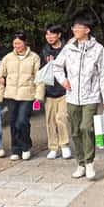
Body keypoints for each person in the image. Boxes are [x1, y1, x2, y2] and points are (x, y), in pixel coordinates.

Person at [52, 15, 104, 181]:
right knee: (76, 130)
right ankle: (80, 164)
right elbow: (57, 66)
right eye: (74, 28)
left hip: (91, 96)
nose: (75, 30)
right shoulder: (68, 47)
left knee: (87, 127)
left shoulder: (98, 49)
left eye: (78, 28)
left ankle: (90, 162)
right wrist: (64, 81)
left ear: (87, 30)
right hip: (72, 97)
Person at [0, 32, 43, 161]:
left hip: (27, 95)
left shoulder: (34, 58)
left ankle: (26, 146)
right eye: (15, 43)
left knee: (22, 121)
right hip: (10, 95)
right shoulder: (7, 58)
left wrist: (39, 97)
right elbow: (0, 78)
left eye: (19, 43)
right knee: (13, 122)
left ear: (25, 43)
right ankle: (15, 149)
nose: (17, 46)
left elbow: (39, 79)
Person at [39, 25, 72, 160]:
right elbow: (41, 71)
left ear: (59, 35)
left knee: (61, 118)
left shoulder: (68, 48)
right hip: (49, 90)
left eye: (52, 34)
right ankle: (53, 147)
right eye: (47, 35)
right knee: (50, 120)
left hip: (65, 89)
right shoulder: (45, 51)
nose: (49, 37)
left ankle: (64, 145)